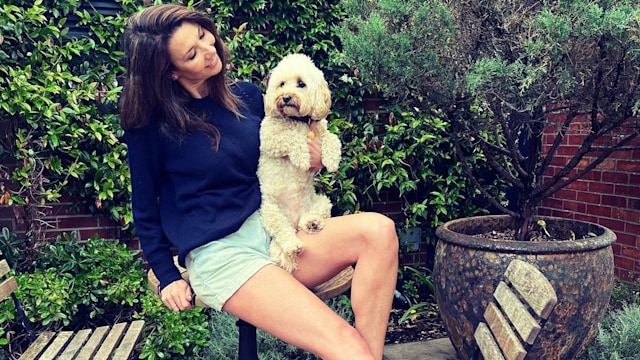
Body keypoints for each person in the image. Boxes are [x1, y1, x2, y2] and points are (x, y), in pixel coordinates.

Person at [119, 4, 398, 360]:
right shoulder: (151, 126)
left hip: (273, 227)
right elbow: (144, 208)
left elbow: (287, 151)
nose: (210, 51)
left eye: (205, 36)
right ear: (170, 72)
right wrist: (166, 274)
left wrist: (314, 157)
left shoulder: (248, 96)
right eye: (192, 54)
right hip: (221, 253)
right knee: (344, 345)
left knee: (379, 231)